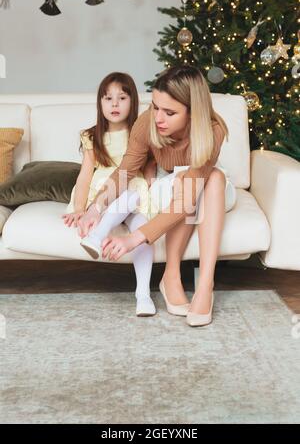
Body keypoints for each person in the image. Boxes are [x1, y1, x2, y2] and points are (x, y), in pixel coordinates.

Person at [77, 66, 237, 327]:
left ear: (192, 112)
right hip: (167, 189)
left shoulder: (213, 129)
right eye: (155, 107)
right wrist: (96, 208)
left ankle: (205, 284)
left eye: (170, 112)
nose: (158, 118)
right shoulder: (147, 122)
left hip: (211, 192)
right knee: (186, 182)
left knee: (213, 177)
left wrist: (134, 239)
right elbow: (125, 172)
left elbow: (191, 193)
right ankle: (171, 275)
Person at [62, 72, 157, 317]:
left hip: (133, 190)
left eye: (122, 98)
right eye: (108, 98)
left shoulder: (141, 131)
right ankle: (99, 230)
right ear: (100, 103)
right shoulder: (92, 135)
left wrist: (153, 193)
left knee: (142, 228)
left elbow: (148, 168)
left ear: (133, 101)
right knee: (126, 196)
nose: (114, 104)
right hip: (104, 193)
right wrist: (80, 208)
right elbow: (84, 176)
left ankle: (143, 295)